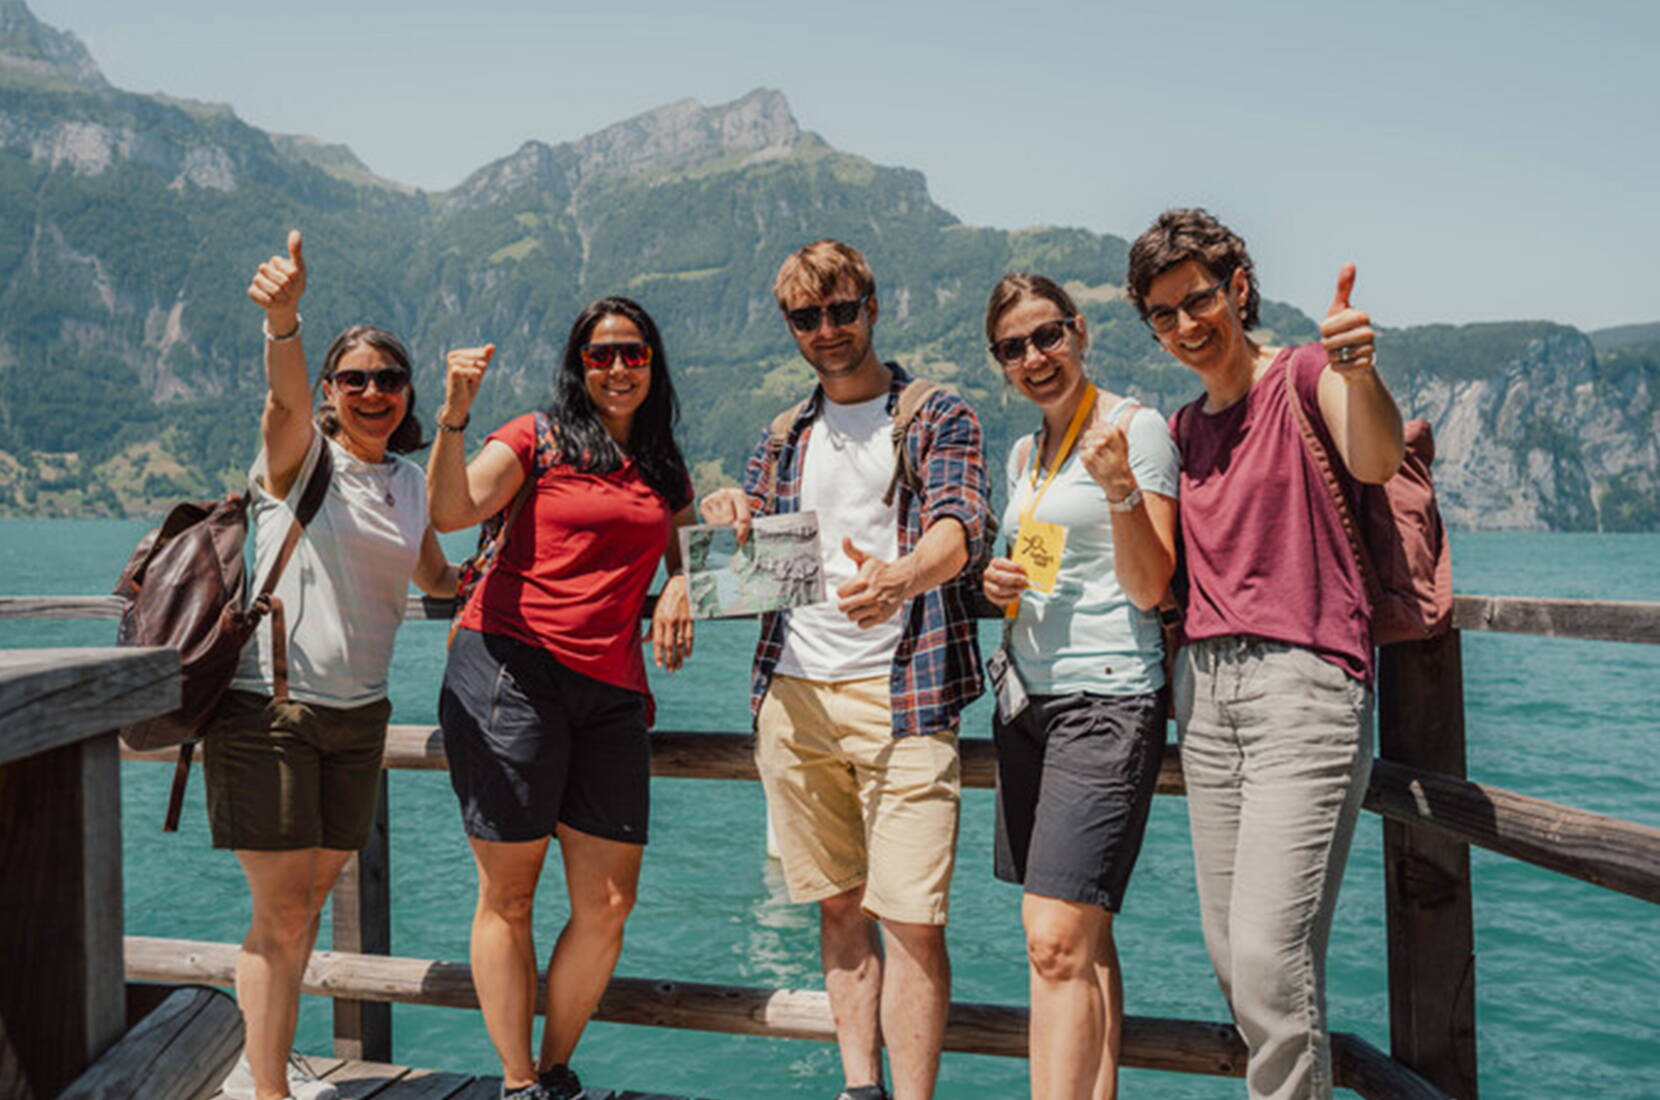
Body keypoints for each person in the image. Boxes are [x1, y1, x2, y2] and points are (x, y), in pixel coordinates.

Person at [1124, 208, 1405, 1100]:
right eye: (1163, 315)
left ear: (1239, 289)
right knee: (1231, 953)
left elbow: (1373, 455)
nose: (1185, 326)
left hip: (1304, 684)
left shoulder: (1306, 374)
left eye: (1198, 300)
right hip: (1205, 694)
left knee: (1269, 955)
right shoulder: (1181, 429)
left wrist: (1361, 373)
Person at [700, 239, 989, 1100]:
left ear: (871, 307)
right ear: (790, 326)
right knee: (837, 906)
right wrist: (729, 515)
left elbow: (962, 521)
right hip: (793, 693)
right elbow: (747, 558)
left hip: (905, 694)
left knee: (910, 922)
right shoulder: (783, 433)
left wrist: (904, 574)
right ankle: (859, 1087)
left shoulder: (936, 414)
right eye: (806, 317)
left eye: (840, 310)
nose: (826, 330)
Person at [428, 297, 696, 1100]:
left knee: (610, 902)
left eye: (633, 353)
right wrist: (453, 417)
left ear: (653, 363)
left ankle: (554, 1066)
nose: (617, 368)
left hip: (612, 690)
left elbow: (694, 548)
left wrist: (683, 581)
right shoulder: (532, 437)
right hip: (511, 672)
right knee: (510, 893)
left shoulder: (660, 461)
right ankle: (519, 1083)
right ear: (577, 366)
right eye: (600, 354)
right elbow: (449, 513)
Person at [212, 231, 458, 1100]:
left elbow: (437, 576)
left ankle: (267, 1069)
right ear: (328, 393)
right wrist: (285, 322)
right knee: (282, 912)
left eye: (387, 379)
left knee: (307, 904)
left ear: (407, 394)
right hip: (272, 710)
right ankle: (270, 1090)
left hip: (361, 717)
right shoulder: (296, 460)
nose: (371, 392)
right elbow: (280, 404)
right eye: (352, 380)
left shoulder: (409, 482)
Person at [978, 273, 1179, 1100]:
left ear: (1080, 331)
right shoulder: (1024, 454)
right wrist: (999, 584)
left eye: (1047, 336)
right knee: (1084, 938)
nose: (1035, 357)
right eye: (1013, 348)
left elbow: (1151, 586)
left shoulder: (1138, 430)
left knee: (1052, 937)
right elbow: (1044, 567)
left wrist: (1121, 487)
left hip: (1108, 699)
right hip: (1028, 701)